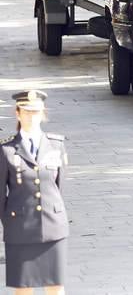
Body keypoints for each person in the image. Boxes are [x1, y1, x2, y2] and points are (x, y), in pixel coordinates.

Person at [1, 91, 68, 294]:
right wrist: (10, 221)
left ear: (43, 114)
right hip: (20, 228)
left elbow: (59, 187)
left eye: (36, 112)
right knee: (24, 288)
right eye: (27, 112)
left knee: (55, 287)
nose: (32, 116)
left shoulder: (56, 145)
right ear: (18, 113)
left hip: (53, 227)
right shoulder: (6, 150)